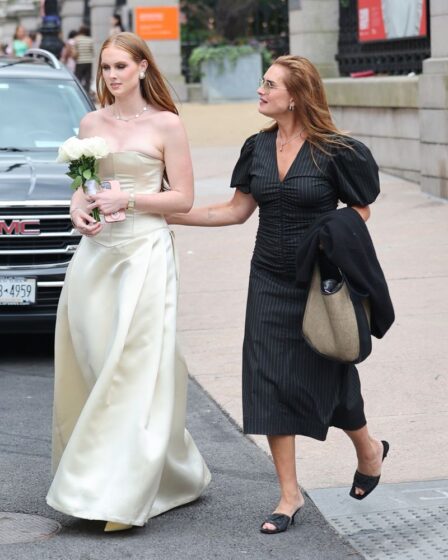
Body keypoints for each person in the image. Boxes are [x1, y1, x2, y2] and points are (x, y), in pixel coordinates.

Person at [168, 55, 390, 534]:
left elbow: (360, 211)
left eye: (269, 85)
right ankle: (289, 494)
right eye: (262, 83)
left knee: (330, 374)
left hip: (317, 282)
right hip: (267, 277)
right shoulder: (257, 148)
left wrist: (332, 237)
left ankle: (368, 449)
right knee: (269, 378)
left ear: (296, 96)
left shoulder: (336, 151)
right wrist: (169, 215)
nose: (260, 91)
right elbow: (234, 210)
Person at [46, 31, 211, 532]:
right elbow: (83, 191)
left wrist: (132, 202)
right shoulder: (90, 122)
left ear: (142, 67)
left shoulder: (167, 124)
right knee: (96, 363)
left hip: (145, 252)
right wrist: (79, 213)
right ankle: (166, 468)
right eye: (105, 68)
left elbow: (182, 198)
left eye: (120, 66)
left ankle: (116, 493)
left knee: (133, 367)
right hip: (96, 256)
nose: (112, 76)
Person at [74, 25, 94, 93]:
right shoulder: (90, 40)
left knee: (78, 78)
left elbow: (75, 50)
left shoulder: (77, 39)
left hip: (80, 61)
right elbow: (92, 51)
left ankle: (79, 92)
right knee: (87, 79)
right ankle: (87, 92)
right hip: (89, 61)